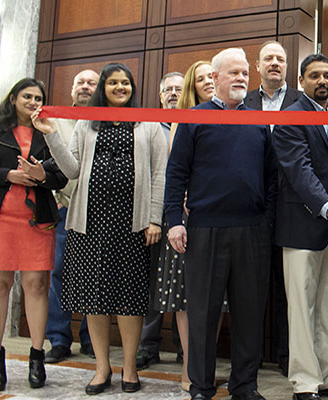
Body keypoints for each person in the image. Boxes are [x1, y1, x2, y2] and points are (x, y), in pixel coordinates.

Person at [32, 62, 168, 395]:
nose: (120, 88)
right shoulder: (86, 124)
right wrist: (51, 137)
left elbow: (159, 173)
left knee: (129, 300)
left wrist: (154, 218)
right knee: (94, 298)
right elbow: (73, 170)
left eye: (125, 83)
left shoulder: (147, 124)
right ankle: (102, 369)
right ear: (102, 88)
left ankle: (131, 369)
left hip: (132, 225)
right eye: (113, 83)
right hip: (89, 223)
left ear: (132, 88)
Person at [166, 47, 275, 400]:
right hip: (204, 229)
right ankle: (200, 387)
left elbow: (271, 176)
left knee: (248, 315)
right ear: (214, 78)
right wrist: (172, 221)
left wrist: (267, 221)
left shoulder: (258, 119)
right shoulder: (194, 117)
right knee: (202, 315)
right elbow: (176, 172)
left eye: (245, 73)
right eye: (234, 73)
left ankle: (245, 386)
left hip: (252, 231)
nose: (242, 78)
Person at [271, 53, 328, 400]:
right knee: (302, 307)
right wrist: (327, 208)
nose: (322, 81)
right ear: (302, 80)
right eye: (314, 76)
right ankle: (305, 383)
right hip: (303, 225)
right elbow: (298, 170)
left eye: (327, 75)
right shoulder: (290, 118)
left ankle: (327, 376)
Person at [0, 78, 67, 391]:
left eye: (37, 97)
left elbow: (60, 177)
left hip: (36, 220)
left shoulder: (49, 133)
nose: (32, 101)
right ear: (14, 98)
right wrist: (8, 175)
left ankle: (37, 356)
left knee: (36, 284)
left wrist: (40, 176)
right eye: (26, 95)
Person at [143, 60, 216, 391]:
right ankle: (189, 366)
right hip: (188, 219)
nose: (208, 82)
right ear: (194, 86)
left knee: (217, 297)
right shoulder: (182, 122)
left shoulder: (231, 114)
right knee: (187, 297)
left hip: (221, 219)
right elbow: (174, 173)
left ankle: (205, 364)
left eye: (211, 76)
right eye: (200, 79)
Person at [244, 40, 301, 377]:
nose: (275, 64)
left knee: (285, 285)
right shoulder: (245, 103)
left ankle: (285, 355)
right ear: (258, 66)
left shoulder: (300, 102)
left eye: (280, 59)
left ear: (286, 65)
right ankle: (250, 358)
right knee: (250, 283)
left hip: (290, 198)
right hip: (251, 198)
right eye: (269, 59)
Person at [45, 69, 98, 364]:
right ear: (72, 90)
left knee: (96, 275)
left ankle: (92, 339)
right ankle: (59, 339)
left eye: (92, 83)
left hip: (100, 212)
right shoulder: (55, 121)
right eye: (81, 83)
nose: (86, 87)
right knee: (59, 275)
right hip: (66, 208)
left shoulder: (108, 121)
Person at [136, 69, 186, 372]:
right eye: (168, 89)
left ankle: (185, 347)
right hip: (153, 217)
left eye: (179, 89)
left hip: (185, 215)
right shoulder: (147, 127)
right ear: (160, 94)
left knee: (184, 284)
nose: (173, 94)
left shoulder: (193, 124)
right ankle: (148, 346)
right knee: (152, 281)